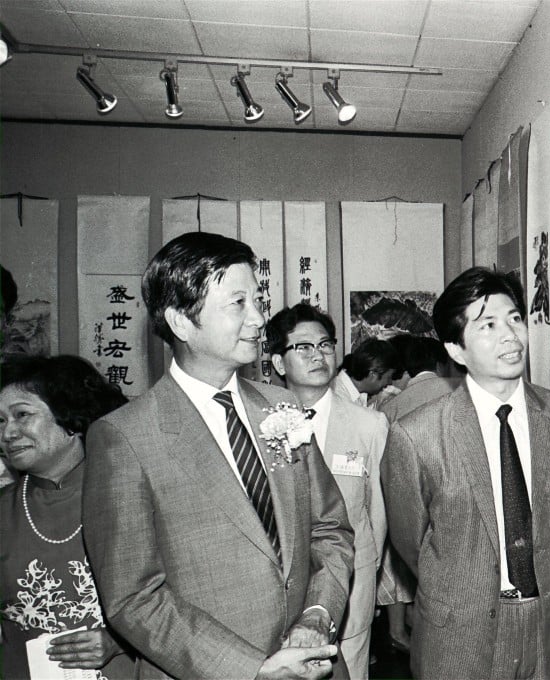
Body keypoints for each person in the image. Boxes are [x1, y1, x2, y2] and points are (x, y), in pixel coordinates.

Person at [82, 232, 356, 680]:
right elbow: (134, 598)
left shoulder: (281, 408)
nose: (259, 318)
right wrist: (253, 671)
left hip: (313, 665)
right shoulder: (124, 437)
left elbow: (330, 530)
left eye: (258, 300)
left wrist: (316, 615)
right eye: (239, 303)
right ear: (181, 322)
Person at [382, 267, 550, 679]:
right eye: (488, 325)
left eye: (514, 318)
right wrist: (463, 581)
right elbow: (411, 541)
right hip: (461, 631)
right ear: (457, 351)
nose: (510, 335)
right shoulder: (417, 434)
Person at [266, 303, 388, 680]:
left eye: (325, 345)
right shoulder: (260, 422)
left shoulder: (369, 424)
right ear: (278, 362)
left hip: (350, 581)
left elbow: (378, 515)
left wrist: (369, 572)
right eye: (303, 347)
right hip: (276, 586)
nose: (318, 355)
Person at [0, 355, 134, 680]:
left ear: (70, 415)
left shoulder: (132, 493)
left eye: (22, 415)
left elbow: (186, 593)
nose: (8, 432)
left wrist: (122, 639)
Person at [376, 335, 461, 652]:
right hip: (458, 500)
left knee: (404, 561)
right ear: (440, 362)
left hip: (411, 499)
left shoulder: (391, 406)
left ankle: (402, 629)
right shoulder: (460, 391)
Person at [336, 338, 398, 407]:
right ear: (372, 375)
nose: (390, 382)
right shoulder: (337, 398)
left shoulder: (357, 394)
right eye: (389, 377)